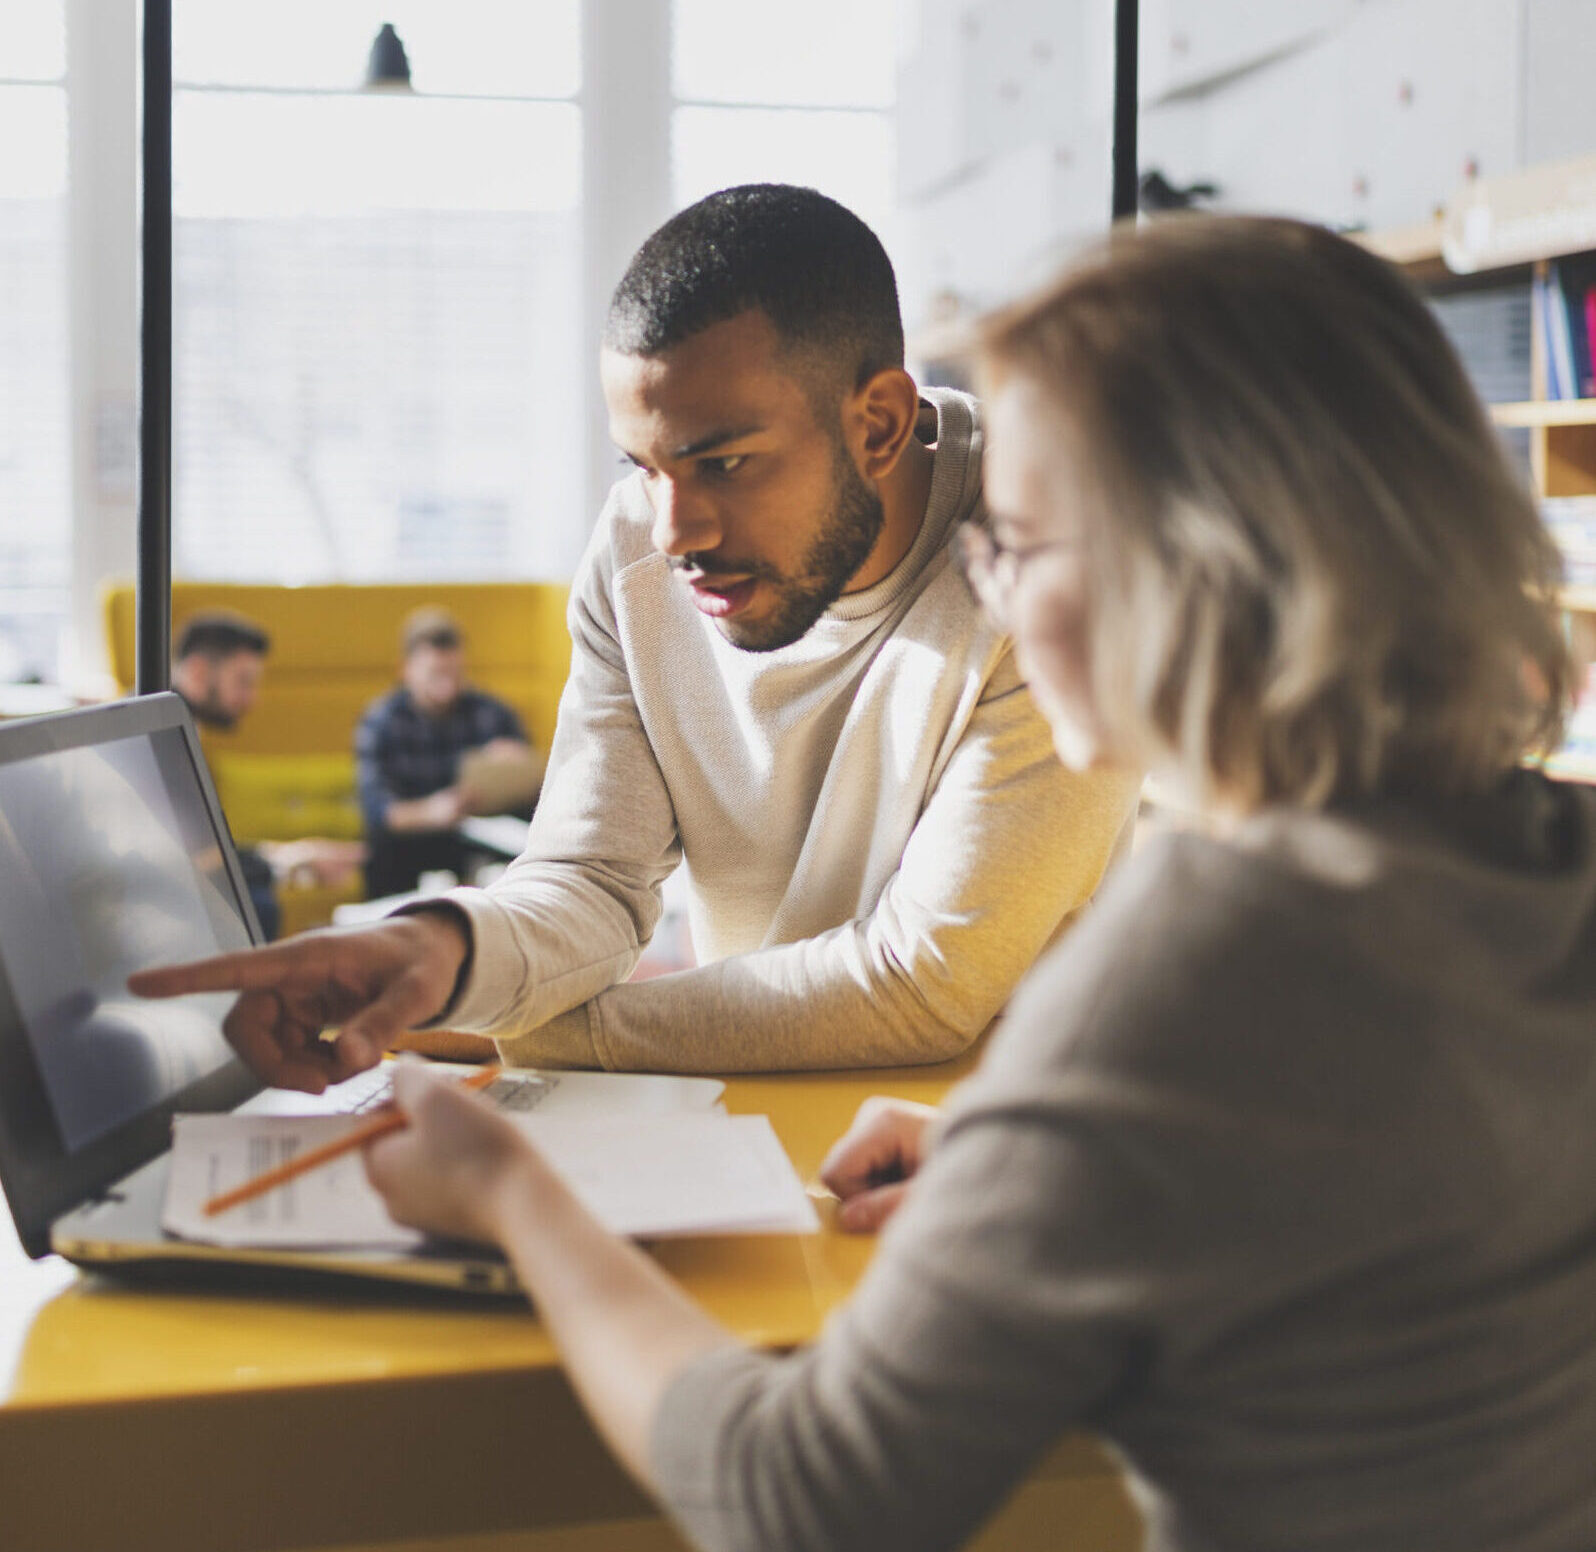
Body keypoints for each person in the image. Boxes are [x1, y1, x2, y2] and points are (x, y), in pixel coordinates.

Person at [360, 217, 1589, 1550]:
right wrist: (1057, 1161)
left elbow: (801, 1502)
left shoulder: (1194, 960)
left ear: (1195, 565)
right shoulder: (1541, 861)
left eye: (1021, 541)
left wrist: (511, 1191)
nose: (989, 580)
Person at [132, 185, 1139, 1076]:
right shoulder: (637, 555)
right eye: (643, 467)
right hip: (743, 1116)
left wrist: (503, 1028)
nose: (675, 531)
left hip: (988, 1144)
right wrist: (442, 955)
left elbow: (921, 985)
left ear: (877, 425)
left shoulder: (1051, 571)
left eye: (724, 463)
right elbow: (592, 879)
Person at [172, 612, 363, 939]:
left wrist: (291, 855)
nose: (253, 699)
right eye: (244, 682)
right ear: (199, 672)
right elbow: (187, 860)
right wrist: (287, 862)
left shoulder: (184, 726)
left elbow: (204, 848)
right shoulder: (166, 737)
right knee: (258, 904)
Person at [355, 606, 541, 898]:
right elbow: (379, 811)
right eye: (435, 673)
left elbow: (537, 790)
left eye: (455, 672)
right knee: (385, 848)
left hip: (481, 833)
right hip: (416, 841)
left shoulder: (493, 713)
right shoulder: (382, 722)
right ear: (405, 670)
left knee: (525, 839)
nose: (447, 684)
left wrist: (515, 767)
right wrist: (434, 811)